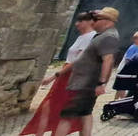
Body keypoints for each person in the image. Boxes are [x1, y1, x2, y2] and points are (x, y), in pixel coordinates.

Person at [22, 12, 95, 136]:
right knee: (49, 105)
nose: (77, 24)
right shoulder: (81, 37)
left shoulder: (90, 37)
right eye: (77, 21)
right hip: (66, 74)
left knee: (56, 106)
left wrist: (53, 76)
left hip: (71, 75)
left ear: (89, 22)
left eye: (81, 21)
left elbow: (77, 61)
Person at [52, 7, 121, 136]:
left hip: (85, 85)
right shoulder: (101, 36)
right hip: (84, 83)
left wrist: (101, 83)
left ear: (107, 21)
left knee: (67, 115)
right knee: (85, 114)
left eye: (96, 19)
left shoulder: (109, 37)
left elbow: (108, 60)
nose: (93, 22)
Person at [114, 30, 138, 99]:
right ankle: (123, 101)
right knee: (122, 86)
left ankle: (115, 100)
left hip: (125, 69)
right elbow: (128, 59)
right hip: (124, 69)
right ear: (136, 39)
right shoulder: (133, 47)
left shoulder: (136, 47)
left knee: (120, 86)